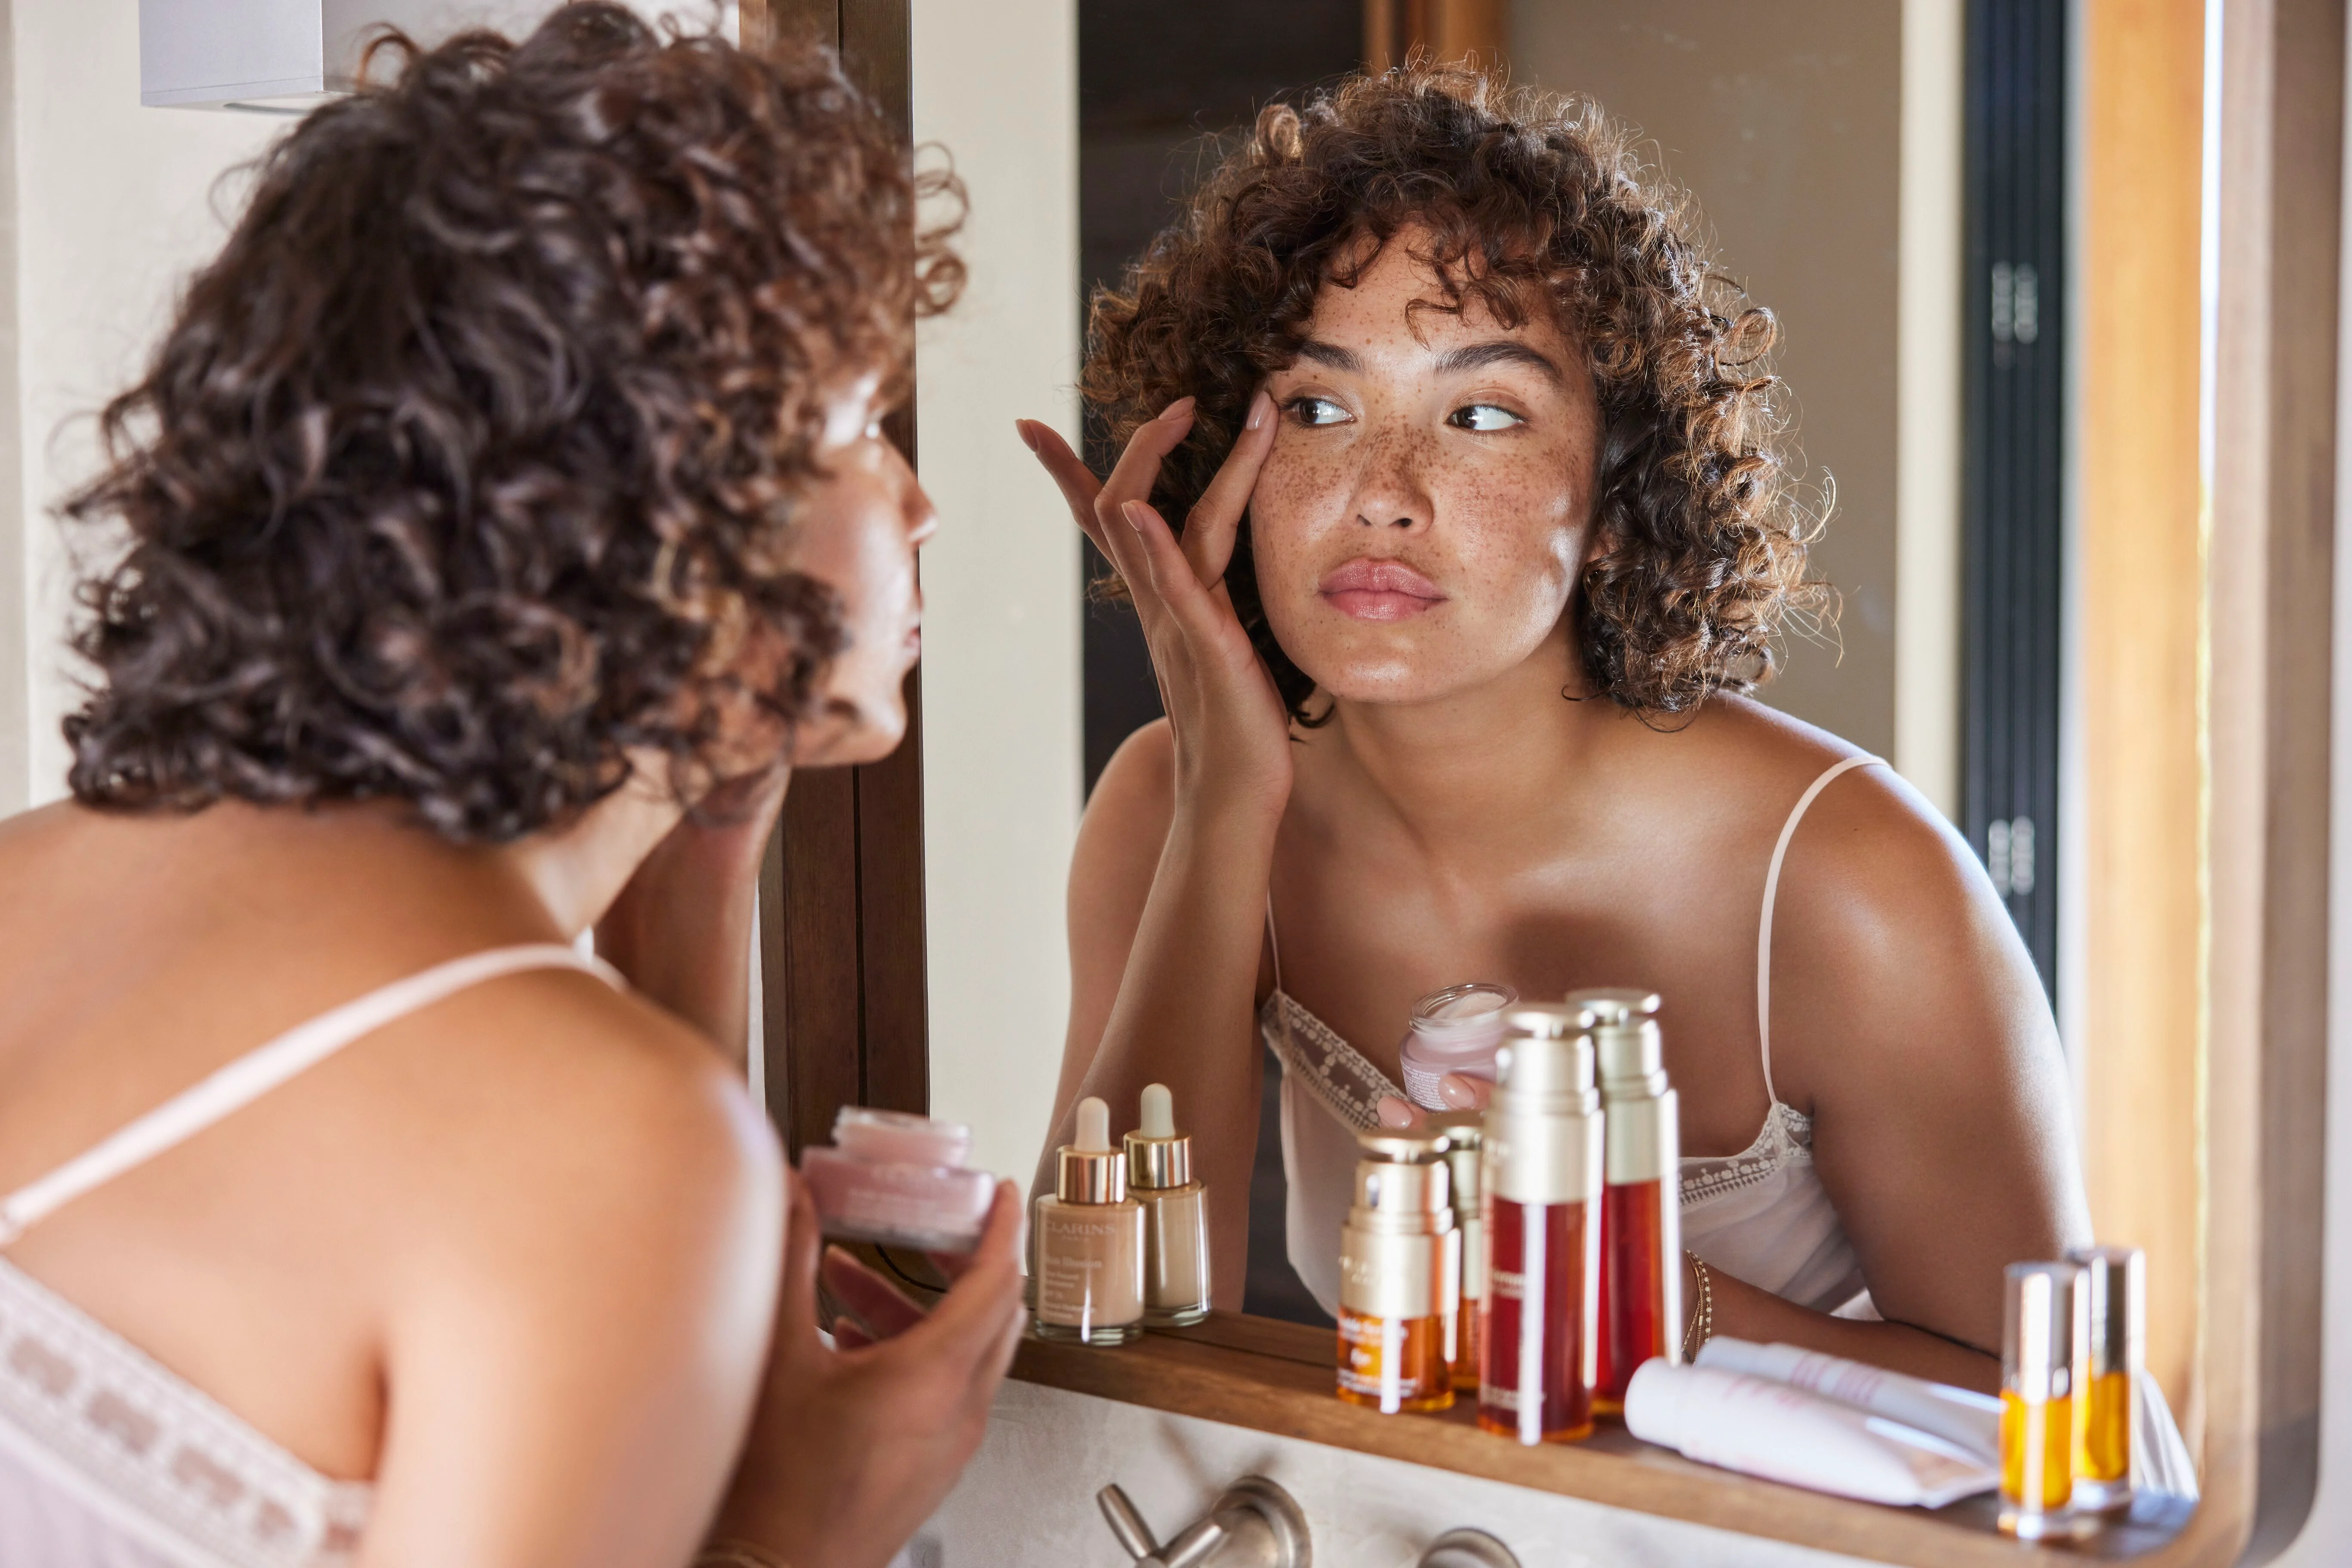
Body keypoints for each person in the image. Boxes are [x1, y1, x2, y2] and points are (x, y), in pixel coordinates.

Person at [0, 9, 1020, 1567]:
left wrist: (694, 876)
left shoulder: (40, 875)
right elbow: (574, 1167)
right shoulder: (592, 1143)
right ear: (646, 507)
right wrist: (795, 1535)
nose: (921, 506)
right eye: (859, 427)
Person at [1024, 64, 2085, 1395]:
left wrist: (1627, 1284)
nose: (1379, 494)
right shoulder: (1170, 807)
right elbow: (1103, 1348)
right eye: (1314, 407)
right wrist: (1225, 804)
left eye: (1478, 414)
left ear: (1618, 473)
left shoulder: (1848, 882)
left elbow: (2043, 1431)